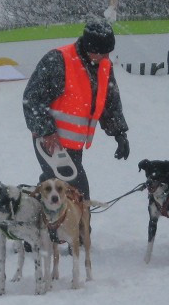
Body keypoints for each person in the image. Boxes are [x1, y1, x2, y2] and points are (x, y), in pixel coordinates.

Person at [22, 17, 129, 200]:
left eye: (108, 53)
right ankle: (76, 228)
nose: (107, 57)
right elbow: (32, 99)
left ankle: (34, 208)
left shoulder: (103, 65)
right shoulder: (58, 60)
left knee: (57, 191)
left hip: (74, 146)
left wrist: (119, 133)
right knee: (78, 198)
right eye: (103, 53)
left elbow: (110, 101)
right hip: (51, 143)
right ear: (90, 49)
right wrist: (47, 132)